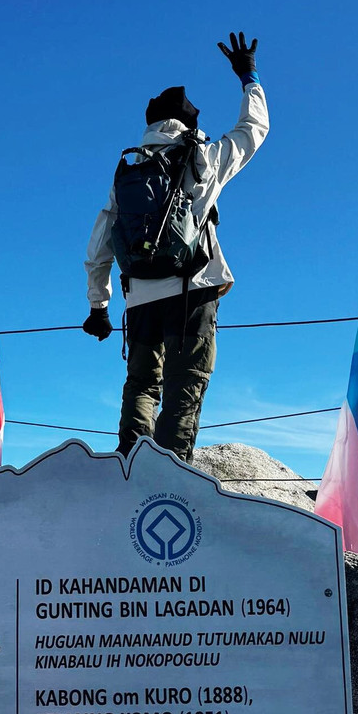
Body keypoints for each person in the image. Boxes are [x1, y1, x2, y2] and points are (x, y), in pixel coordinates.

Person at [83, 32, 270, 462]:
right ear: (190, 122)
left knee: (142, 385)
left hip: (140, 299)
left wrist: (98, 307)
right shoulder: (203, 159)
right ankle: (171, 479)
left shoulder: (128, 172)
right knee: (184, 386)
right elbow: (254, 130)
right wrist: (249, 77)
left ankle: (129, 465)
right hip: (193, 291)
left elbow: (98, 248)